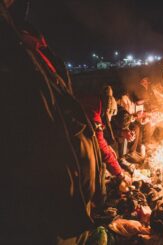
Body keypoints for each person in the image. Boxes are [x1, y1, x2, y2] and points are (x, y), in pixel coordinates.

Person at [1, 1, 104, 243]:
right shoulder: (12, 56)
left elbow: (67, 121)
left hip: (71, 205)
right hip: (46, 214)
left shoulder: (35, 54)